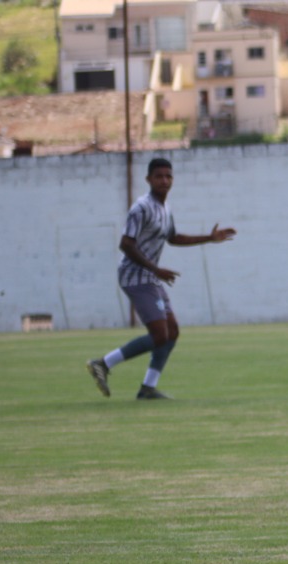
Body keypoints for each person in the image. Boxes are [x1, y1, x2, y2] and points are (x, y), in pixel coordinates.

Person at [86, 158, 236, 400]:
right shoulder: (141, 208)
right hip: (135, 276)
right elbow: (126, 244)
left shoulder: (165, 208)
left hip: (150, 276)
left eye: (168, 176)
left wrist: (209, 238)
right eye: (159, 176)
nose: (164, 181)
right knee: (159, 335)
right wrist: (155, 269)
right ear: (148, 179)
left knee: (171, 332)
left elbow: (173, 238)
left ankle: (148, 388)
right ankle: (103, 363)